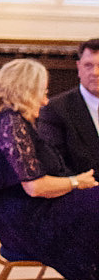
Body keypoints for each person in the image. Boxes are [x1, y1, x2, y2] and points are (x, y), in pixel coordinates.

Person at [0, 58, 99, 280]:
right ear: (25, 91)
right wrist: (76, 182)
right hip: (27, 222)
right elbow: (34, 186)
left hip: (37, 212)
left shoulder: (14, 121)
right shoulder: (10, 124)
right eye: (42, 93)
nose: (45, 102)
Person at [37, 39, 99, 177]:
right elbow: (56, 167)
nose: (95, 72)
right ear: (78, 67)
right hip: (83, 192)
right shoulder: (55, 109)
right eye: (88, 65)